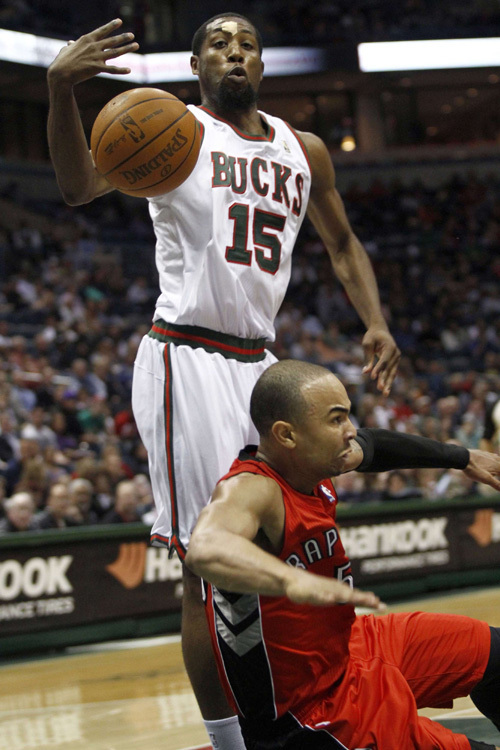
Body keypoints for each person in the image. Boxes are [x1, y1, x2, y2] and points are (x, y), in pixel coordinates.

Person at [46, 13, 401, 749]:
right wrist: (59, 91)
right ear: (196, 62)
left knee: (281, 546)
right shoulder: (169, 132)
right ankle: (228, 742)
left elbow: (341, 241)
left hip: (262, 365)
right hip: (187, 355)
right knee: (208, 568)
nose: (232, 52)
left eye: (245, 44)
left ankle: (302, 712)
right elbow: (79, 188)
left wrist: (376, 321)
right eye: (216, 43)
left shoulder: (303, 151)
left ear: (263, 65)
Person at [186, 359, 500, 750]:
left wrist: (463, 458)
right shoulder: (253, 490)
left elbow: (375, 446)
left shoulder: (316, 463)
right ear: (287, 435)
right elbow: (205, 547)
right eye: (336, 420)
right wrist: (289, 579)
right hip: (312, 710)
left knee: (494, 652)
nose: (350, 431)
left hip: (351, 646)